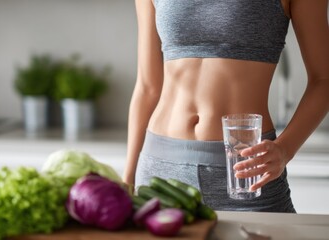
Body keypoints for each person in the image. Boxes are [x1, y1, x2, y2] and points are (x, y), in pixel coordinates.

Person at [123, 0, 329, 212]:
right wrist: (128, 177)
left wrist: (285, 150)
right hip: (159, 169)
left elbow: (323, 80)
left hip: (247, 171)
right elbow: (148, 88)